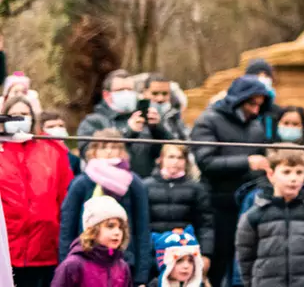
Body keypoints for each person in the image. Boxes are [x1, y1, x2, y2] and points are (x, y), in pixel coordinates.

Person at [191, 76, 272, 287]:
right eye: (251, 104)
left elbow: (261, 163)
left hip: (248, 205)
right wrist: (246, 162)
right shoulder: (208, 121)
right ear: (238, 99)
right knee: (218, 265)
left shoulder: (256, 127)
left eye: (259, 105)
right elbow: (206, 162)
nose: (255, 110)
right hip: (217, 205)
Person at [59, 129, 154, 287]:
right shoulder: (82, 183)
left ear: (122, 150)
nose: (109, 151)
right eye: (103, 147)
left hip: (124, 263)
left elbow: (142, 229)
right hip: (85, 262)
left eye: (114, 146)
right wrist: (66, 264)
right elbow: (67, 228)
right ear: (94, 151)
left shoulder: (133, 182)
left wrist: (141, 277)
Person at [2, 93, 74, 287]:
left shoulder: (52, 149)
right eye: (13, 113)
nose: (19, 118)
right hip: (8, 248)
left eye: (24, 113)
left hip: (45, 247)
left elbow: (65, 197)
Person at [235, 146, 304, 287]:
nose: (294, 178)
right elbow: (245, 257)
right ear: (271, 174)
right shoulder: (254, 215)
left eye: (299, 172)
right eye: (286, 172)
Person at [145, 144, 216, 273]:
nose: (175, 162)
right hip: (152, 252)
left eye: (180, 158)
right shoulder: (146, 186)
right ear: (161, 159)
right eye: (171, 157)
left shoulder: (197, 188)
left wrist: (206, 254)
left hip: (184, 252)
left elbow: (205, 224)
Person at [51, 195, 134, 287]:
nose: (117, 232)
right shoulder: (73, 265)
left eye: (121, 228)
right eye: (110, 226)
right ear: (92, 230)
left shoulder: (122, 267)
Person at [135, 74, 190, 177]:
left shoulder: (175, 118)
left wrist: (159, 128)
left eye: (165, 94)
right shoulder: (134, 117)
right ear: (145, 93)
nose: (160, 99)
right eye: (155, 93)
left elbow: (183, 148)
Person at [40, 110, 83, 175]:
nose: (57, 129)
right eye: (51, 127)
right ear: (40, 130)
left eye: (61, 126)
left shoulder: (73, 159)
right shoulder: (35, 156)